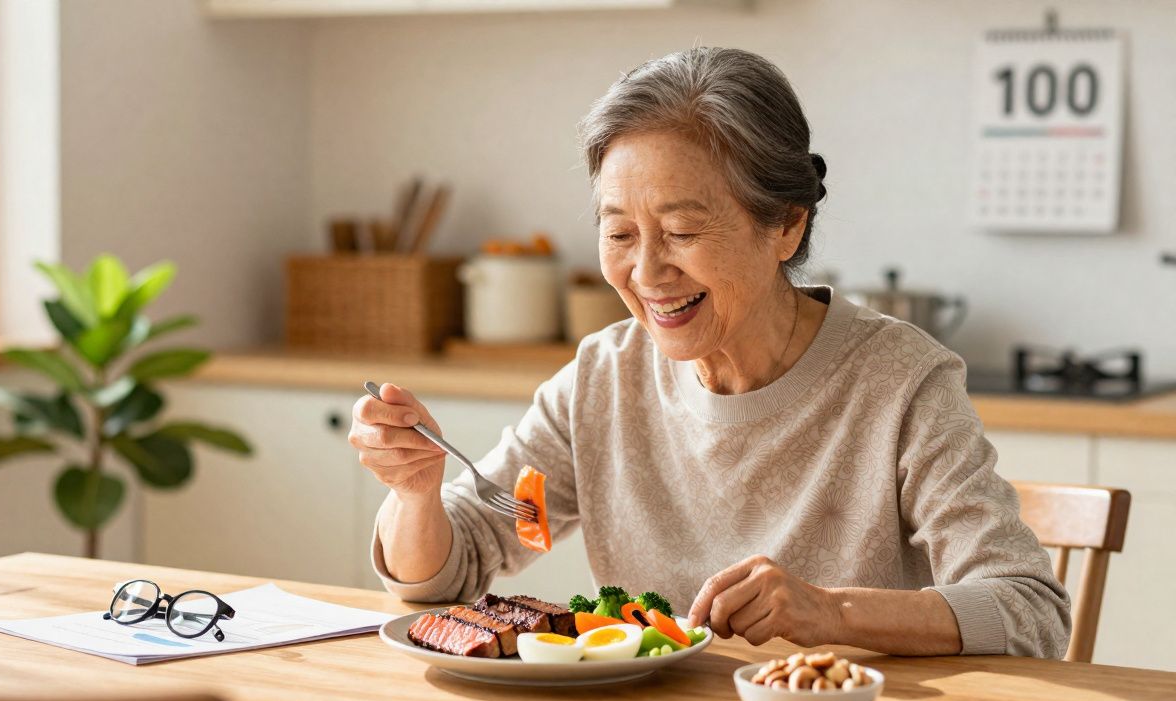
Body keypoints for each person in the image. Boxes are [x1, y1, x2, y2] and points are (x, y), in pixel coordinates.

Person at [349, 47, 1069, 658]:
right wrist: (414, 496)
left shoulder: (899, 380)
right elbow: (449, 573)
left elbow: (1030, 613)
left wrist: (829, 613)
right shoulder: (605, 376)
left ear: (786, 226)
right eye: (621, 234)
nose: (648, 273)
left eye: (684, 232)